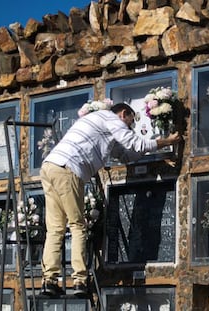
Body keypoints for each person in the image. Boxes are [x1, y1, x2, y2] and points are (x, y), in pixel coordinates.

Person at [39, 102, 181, 297]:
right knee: (78, 225)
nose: (129, 128)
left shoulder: (97, 121)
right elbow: (136, 143)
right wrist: (166, 142)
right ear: (124, 114)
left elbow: (124, 155)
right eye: (130, 123)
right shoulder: (111, 118)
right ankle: (80, 281)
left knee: (55, 229)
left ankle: (49, 281)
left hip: (50, 166)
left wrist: (153, 155)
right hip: (68, 169)